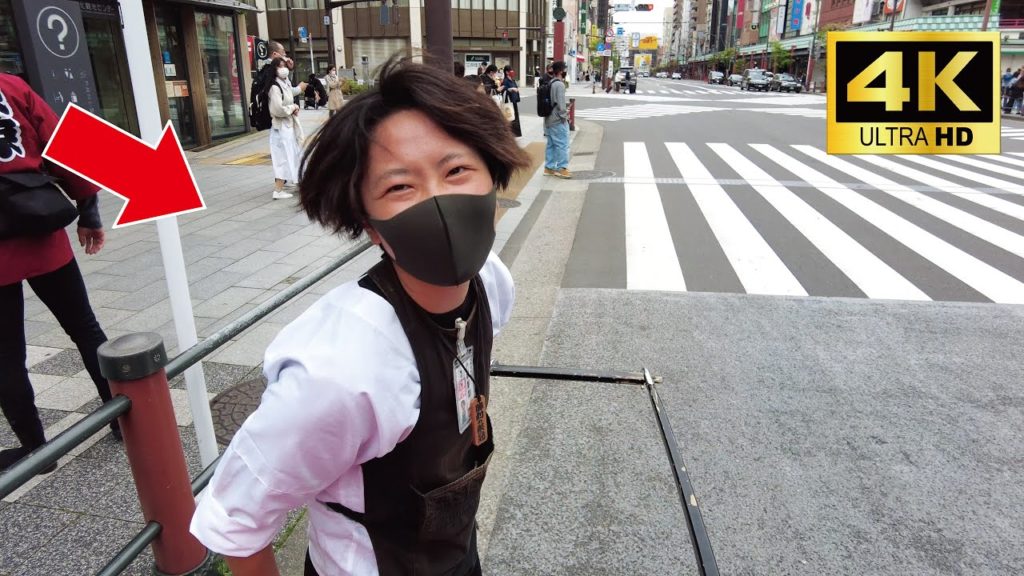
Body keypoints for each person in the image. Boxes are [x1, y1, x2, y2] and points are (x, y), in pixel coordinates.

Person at [190, 56, 530, 575]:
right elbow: (237, 517)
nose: (439, 203)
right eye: (400, 187)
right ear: (371, 227)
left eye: (456, 171)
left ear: (492, 176)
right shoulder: (342, 369)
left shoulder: (491, 283)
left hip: (457, 552)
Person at [0, 73, 120, 473]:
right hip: (38, 225)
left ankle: (37, 451)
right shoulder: (11, 87)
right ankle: (121, 418)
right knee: (84, 327)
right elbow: (62, 144)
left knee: (5, 354)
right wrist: (88, 209)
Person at [266, 57, 304, 200]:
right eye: (280, 66)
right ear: (274, 69)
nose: (284, 69)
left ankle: (297, 183)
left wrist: (293, 108)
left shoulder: (284, 83)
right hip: (280, 128)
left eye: (284, 66)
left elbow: (289, 93)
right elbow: (277, 109)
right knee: (282, 158)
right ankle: (278, 190)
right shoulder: (274, 87)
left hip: (288, 127)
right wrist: (293, 107)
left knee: (293, 155)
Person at [543, 61, 571, 179]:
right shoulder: (559, 84)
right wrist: (565, 117)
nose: (565, 72)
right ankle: (562, 168)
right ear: (560, 71)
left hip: (548, 118)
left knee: (551, 144)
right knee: (562, 144)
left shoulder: (550, 82)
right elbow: (560, 104)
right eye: (565, 69)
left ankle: (549, 167)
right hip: (557, 119)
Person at [502, 65, 522, 137]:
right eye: (510, 70)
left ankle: (516, 133)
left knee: (515, 116)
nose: (512, 72)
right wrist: (510, 89)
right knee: (510, 117)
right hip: (509, 102)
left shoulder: (512, 80)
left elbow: (515, 87)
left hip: (514, 101)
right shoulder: (505, 81)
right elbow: (503, 90)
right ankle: (510, 133)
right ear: (506, 72)